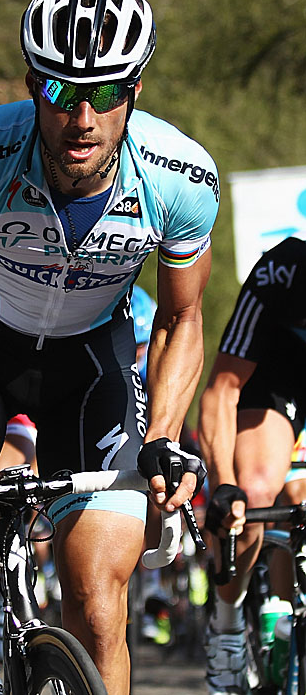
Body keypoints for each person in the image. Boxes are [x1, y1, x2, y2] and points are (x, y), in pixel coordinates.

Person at [0, 0, 218, 695]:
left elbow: (184, 318)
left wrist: (167, 431)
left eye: (108, 92)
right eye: (62, 93)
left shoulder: (182, 179)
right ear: (33, 86)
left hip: (92, 363)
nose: (83, 117)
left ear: (138, 88)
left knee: (97, 601)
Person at [198, 236, 306, 695]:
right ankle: (226, 625)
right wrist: (224, 484)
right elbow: (222, 389)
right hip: (275, 383)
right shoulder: (282, 270)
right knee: (260, 493)